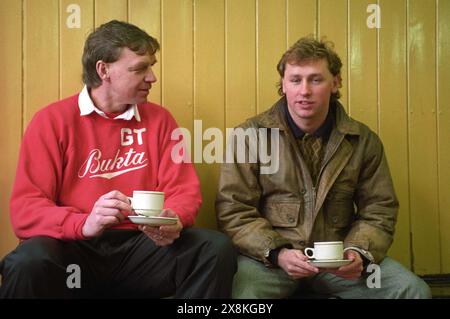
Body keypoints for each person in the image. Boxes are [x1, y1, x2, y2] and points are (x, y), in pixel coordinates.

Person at [0, 20, 236, 299]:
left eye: (152, 66)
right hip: (75, 250)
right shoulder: (51, 121)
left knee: (215, 248)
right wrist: (85, 223)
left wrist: (174, 219)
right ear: (104, 70)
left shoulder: (160, 120)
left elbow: (183, 192)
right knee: (27, 261)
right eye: (139, 69)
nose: (152, 78)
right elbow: (26, 210)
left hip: (143, 247)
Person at [215, 37, 431, 299]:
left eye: (316, 79)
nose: (304, 90)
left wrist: (358, 252)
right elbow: (234, 209)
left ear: (336, 82)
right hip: (270, 263)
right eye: (295, 80)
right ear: (283, 85)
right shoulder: (249, 136)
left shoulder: (362, 140)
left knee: (412, 291)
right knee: (245, 295)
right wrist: (278, 253)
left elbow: (379, 209)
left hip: (340, 262)